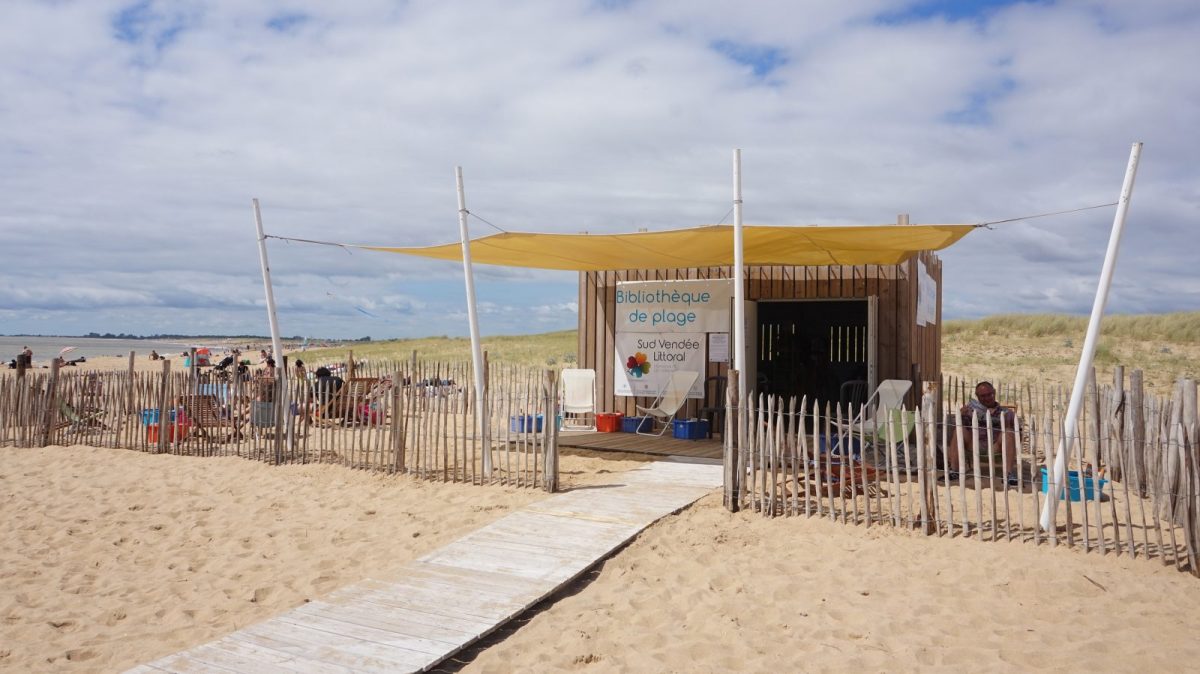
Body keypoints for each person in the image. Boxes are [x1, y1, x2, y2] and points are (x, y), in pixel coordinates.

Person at [947, 381, 1019, 486]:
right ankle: (954, 471)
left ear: (994, 392)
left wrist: (1007, 426)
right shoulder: (971, 409)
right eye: (983, 396)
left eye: (990, 394)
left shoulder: (1007, 413)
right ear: (977, 396)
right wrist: (960, 415)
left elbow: (1018, 436)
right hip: (974, 444)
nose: (987, 398)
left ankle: (1008, 474)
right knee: (960, 429)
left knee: (1008, 433)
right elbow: (954, 431)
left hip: (995, 446)